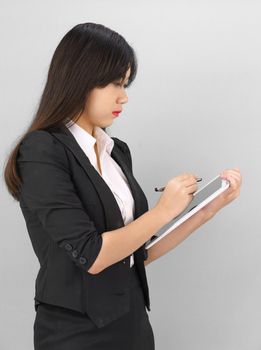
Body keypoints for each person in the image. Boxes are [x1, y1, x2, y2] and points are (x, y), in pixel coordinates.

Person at [3, 22, 242, 350]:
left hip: (132, 323)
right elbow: (93, 256)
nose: (124, 97)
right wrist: (163, 211)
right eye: (115, 83)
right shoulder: (42, 150)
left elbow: (135, 254)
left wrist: (206, 210)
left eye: (125, 84)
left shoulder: (117, 152)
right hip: (74, 333)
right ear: (81, 79)